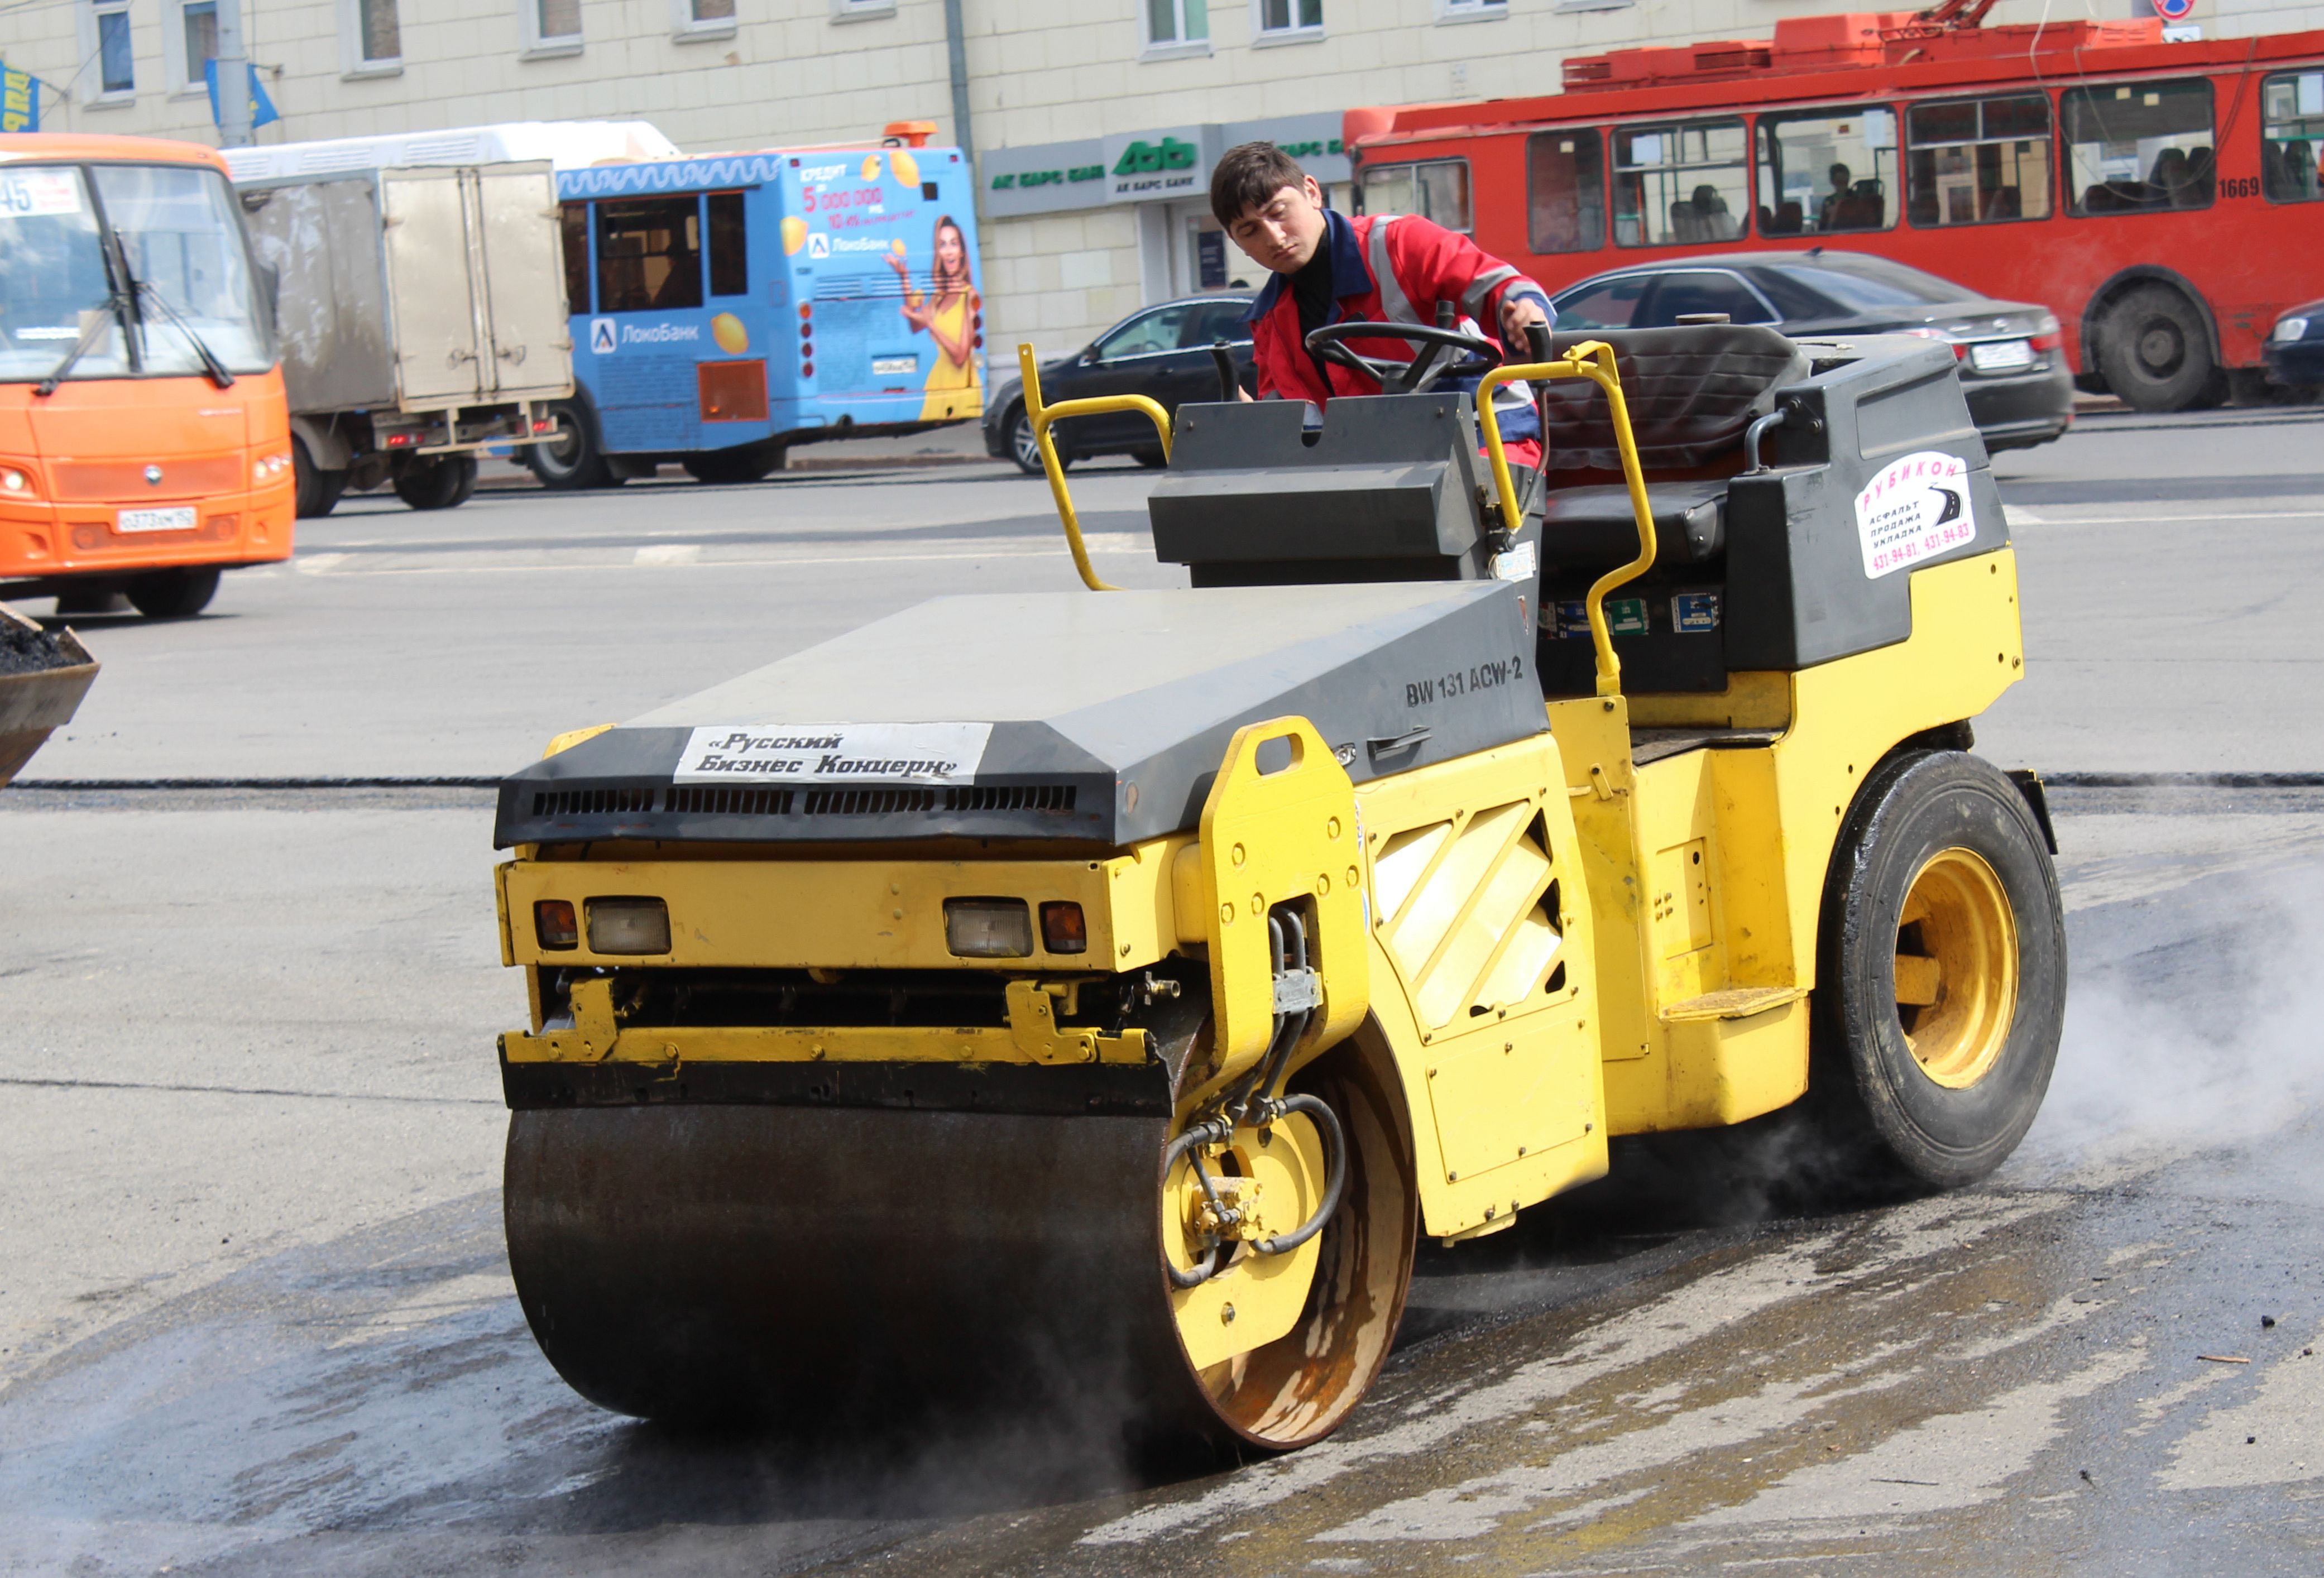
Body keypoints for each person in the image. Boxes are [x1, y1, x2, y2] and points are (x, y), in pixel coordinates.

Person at [1210, 141, 1552, 464]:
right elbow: (1295, 420)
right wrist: (1256, 421)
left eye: (1279, 212)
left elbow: (1496, 285)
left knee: (1452, 505)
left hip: (1489, 434)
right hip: (1387, 460)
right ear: (1236, 242)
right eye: (1251, 230)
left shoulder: (1398, 242)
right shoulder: (1270, 321)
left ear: (1312, 192)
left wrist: (1523, 307)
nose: (1274, 236)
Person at [886, 214, 981, 421]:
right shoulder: (938, 298)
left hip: (961, 390)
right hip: (938, 386)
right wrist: (904, 278)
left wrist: (932, 325)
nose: (948, 251)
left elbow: (960, 356)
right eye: (942, 245)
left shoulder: (969, 295)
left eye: (953, 244)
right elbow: (915, 325)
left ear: (963, 251)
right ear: (938, 252)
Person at [1817, 163, 1852, 232]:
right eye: (1839, 182)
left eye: (1845, 182)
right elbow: (1822, 228)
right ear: (1832, 181)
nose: (1842, 185)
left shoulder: (1856, 199)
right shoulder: (1829, 201)